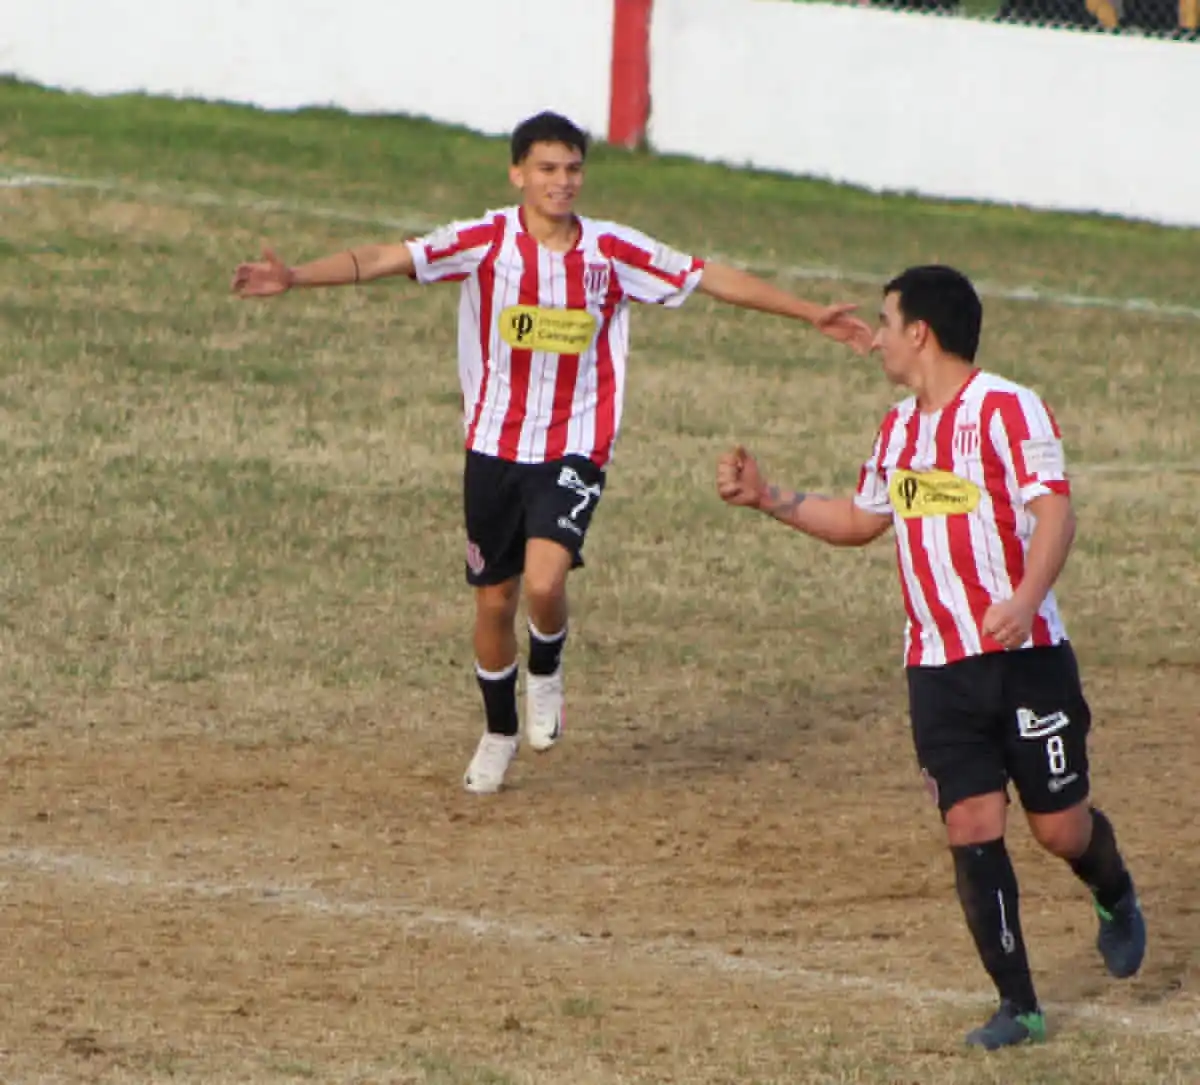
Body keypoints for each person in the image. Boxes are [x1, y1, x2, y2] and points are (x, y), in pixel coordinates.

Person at [232, 110, 873, 795]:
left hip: (574, 445)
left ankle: (548, 670)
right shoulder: (484, 241)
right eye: (546, 169)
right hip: (492, 448)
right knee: (492, 601)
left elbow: (708, 277)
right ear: (517, 174)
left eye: (572, 169)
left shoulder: (611, 252)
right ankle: (497, 732)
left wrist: (809, 313)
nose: (561, 182)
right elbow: (389, 259)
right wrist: (297, 276)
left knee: (544, 581)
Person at [715, 265, 1145, 1049]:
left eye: (885, 321)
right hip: (937, 669)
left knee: (1059, 829)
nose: (875, 337)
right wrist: (770, 497)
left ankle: (1112, 889)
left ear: (921, 332)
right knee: (971, 824)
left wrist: (1022, 597)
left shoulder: (1010, 410)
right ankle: (1020, 1005)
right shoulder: (896, 429)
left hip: (1027, 658)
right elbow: (859, 518)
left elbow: (1056, 513)